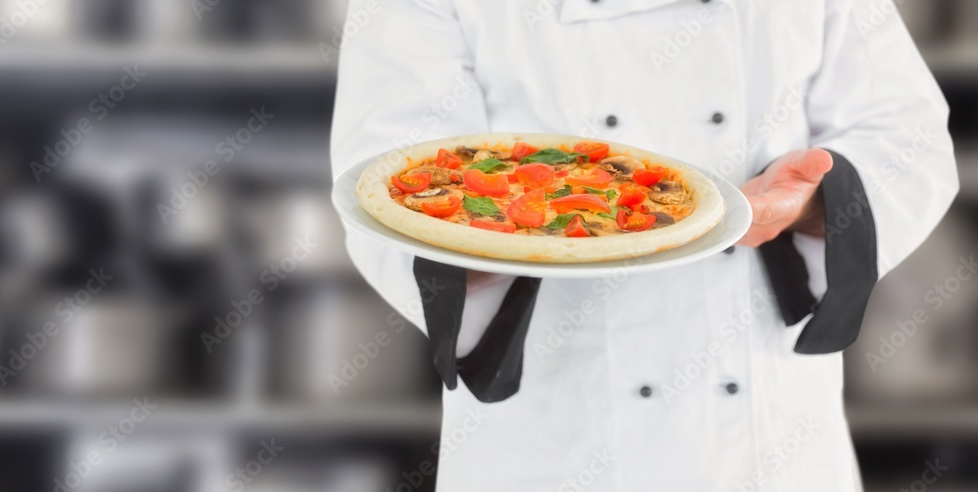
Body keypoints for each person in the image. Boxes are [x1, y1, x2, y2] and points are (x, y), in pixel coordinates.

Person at [330, 0, 958, 490]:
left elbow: (904, 136)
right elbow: (390, 178)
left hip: (762, 441)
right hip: (551, 437)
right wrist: (498, 237)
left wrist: (811, 205)